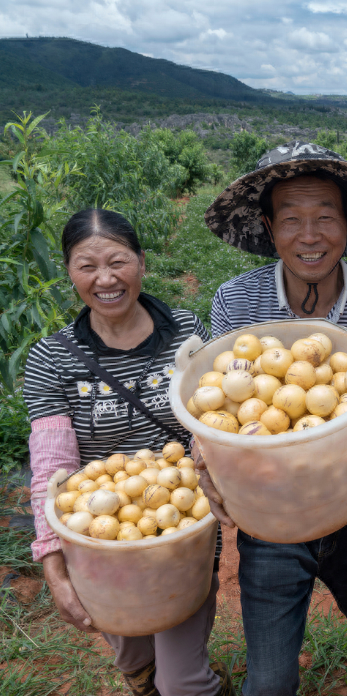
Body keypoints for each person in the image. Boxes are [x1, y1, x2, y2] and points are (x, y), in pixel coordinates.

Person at [198, 141, 347, 696]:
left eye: (325, 217)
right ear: (268, 226)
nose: (310, 236)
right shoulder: (237, 301)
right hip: (269, 513)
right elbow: (211, 405)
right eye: (292, 220)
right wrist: (204, 458)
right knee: (272, 678)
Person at [25, 209, 228, 696]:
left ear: (141, 262)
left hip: (182, 532)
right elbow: (51, 468)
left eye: (118, 261)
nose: (106, 278)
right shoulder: (50, 359)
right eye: (86, 265)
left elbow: (212, 419)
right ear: (68, 272)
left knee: (181, 681)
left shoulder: (186, 334)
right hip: (100, 542)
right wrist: (54, 567)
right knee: (136, 663)